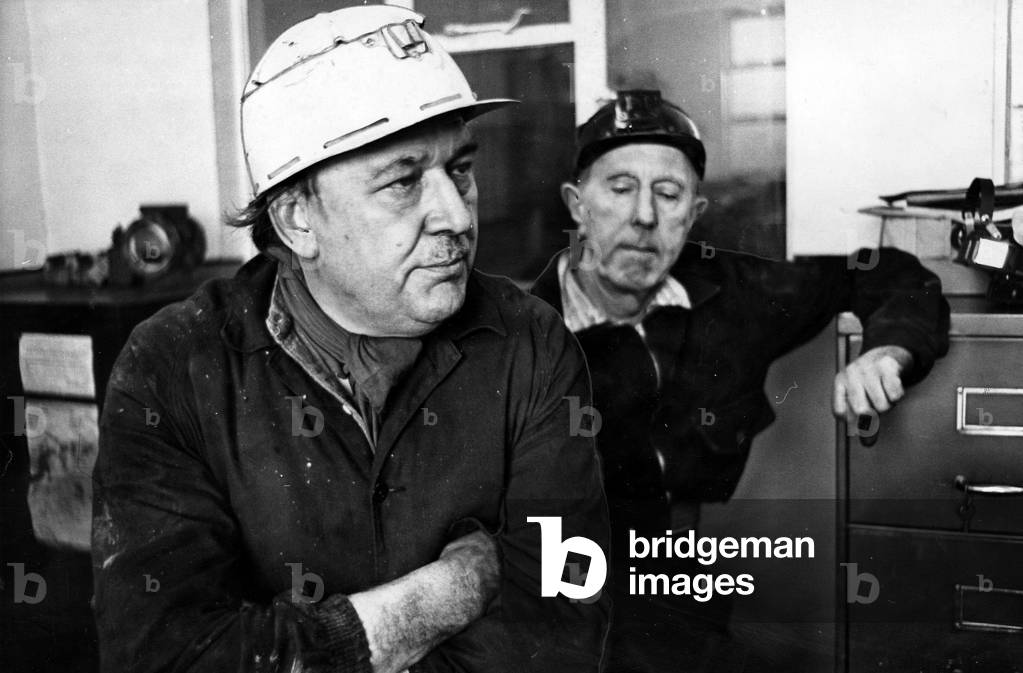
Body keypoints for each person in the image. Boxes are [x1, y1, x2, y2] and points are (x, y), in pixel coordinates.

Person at [90, 7, 609, 673]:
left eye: (461, 169)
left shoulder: (530, 342)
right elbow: (163, 658)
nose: (454, 214)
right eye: (403, 181)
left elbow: (562, 625)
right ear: (298, 217)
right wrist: (450, 590)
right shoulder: (174, 367)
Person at [530, 89, 950, 672]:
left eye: (669, 194)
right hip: (550, 604)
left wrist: (889, 351)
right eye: (620, 189)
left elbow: (890, 274)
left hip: (679, 602)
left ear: (695, 213)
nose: (645, 216)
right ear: (577, 204)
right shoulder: (521, 333)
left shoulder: (736, 298)